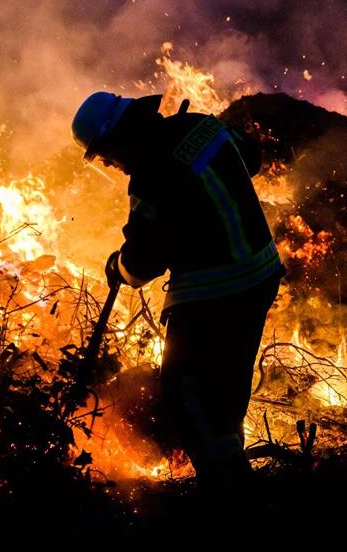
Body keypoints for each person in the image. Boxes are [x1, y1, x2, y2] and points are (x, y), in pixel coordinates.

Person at [71, 91, 285, 498]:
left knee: (187, 394)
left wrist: (117, 265)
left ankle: (229, 496)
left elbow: (141, 264)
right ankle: (233, 472)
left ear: (119, 137)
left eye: (105, 155)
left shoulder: (150, 177)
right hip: (261, 275)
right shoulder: (202, 126)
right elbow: (250, 157)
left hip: (214, 293)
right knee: (227, 389)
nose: (110, 165)